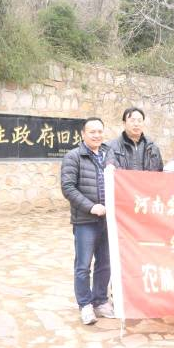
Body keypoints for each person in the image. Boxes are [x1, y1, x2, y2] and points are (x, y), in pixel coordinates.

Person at [60, 117, 116, 325]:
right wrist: (91, 207)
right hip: (85, 220)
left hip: (108, 220)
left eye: (100, 131)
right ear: (83, 134)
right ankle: (85, 305)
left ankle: (100, 301)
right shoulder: (73, 156)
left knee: (105, 263)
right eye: (92, 131)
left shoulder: (109, 156)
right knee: (83, 265)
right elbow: (68, 187)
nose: (97, 135)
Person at [108, 107, 164, 171]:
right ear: (124, 123)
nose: (136, 124)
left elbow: (159, 172)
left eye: (139, 121)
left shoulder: (153, 148)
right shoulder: (111, 147)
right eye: (132, 120)